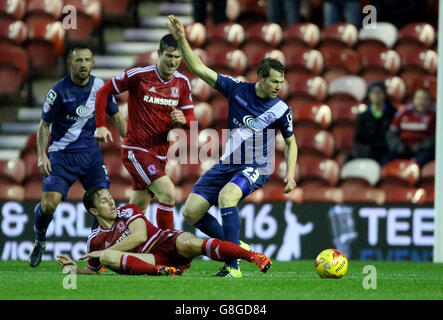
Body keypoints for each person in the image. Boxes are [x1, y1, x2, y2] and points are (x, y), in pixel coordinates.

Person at [167, 15, 298, 278]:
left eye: (281, 82)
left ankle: (233, 266)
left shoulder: (282, 109)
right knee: (191, 212)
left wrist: (291, 174)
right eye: (274, 81)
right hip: (228, 163)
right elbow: (199, 69)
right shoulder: (236, 89)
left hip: (257, 167)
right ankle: (235, 246)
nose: (278, 87)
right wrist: (181, 38)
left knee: (227, 197)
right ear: (260, 77)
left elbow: (291, 142)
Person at [28, 43, 127, 268]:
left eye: (87, 60)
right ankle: (40, 238)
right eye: (78, 60)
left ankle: (95, 252)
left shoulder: (100, 87)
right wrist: (42, 156)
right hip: (61, 156)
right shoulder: (58, 91)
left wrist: (130, 144)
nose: (83, 65)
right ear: (69, 63)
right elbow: (45, 125)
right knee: (49, 205)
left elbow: (118, 118)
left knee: (102, 203)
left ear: (93, 63)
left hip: (91, 156)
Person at [94, 34, 195, 231]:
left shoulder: (182, 83)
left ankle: (110, 247)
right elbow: (103, 91)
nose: (172, 61)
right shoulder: (139, 76)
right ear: (159, 54)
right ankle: (168, 246)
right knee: (167, 193)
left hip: (159, 154)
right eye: (168, 56)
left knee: (136, 209)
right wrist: (100, 124)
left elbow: (191, 118)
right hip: (136, 148)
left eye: (177, 57)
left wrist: (185, 121)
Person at [56, 186, 272, 276]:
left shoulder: (128, 210)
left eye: (110, 198)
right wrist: (74, 269)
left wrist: (105, 252)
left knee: (191, 244)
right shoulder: (95, 241)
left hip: (163, 241)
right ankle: (163, 271)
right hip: (150, 259)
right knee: (106, 256)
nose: (112, 203)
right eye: (105, 202)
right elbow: (93, 270)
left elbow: (140, 236)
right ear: (94, 211)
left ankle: (253, 256)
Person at [384, 88, 436, 166]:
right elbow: (391, 133)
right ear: (414, 99)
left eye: (425, 99)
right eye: (419, 98)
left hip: (422, 150)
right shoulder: (404, 111)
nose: (421, 101)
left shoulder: (435, 114)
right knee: (386, 160)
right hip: (402, 148)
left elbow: (436, 138)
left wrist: (421, 147)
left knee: (421, 161)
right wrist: (398, 146)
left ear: (430, 101)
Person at [351, 81, 397, 163]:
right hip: (368, 151)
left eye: (379, 92)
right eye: (373, 92)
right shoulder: (362, 116)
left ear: (384, 94)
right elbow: (358, 139)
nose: (376, 95)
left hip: (386, 151)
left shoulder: (394, 114)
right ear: (369, 95)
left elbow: (394, 137)